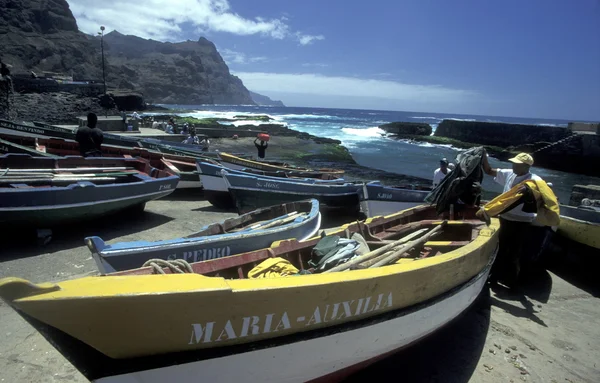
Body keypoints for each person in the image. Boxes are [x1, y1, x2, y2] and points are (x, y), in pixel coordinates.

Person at [482, 151, 543, 287]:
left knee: (515, 252)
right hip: (505, 218)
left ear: (526, 166)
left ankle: (513, 282)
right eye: (513, 163)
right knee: (500, 248)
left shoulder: (535, 181)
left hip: (522, 222)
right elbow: (489, 170)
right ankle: (494, 278)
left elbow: (546, 198)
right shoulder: (509, 173)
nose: (513, 165)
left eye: (517, 164)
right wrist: (484, 156)